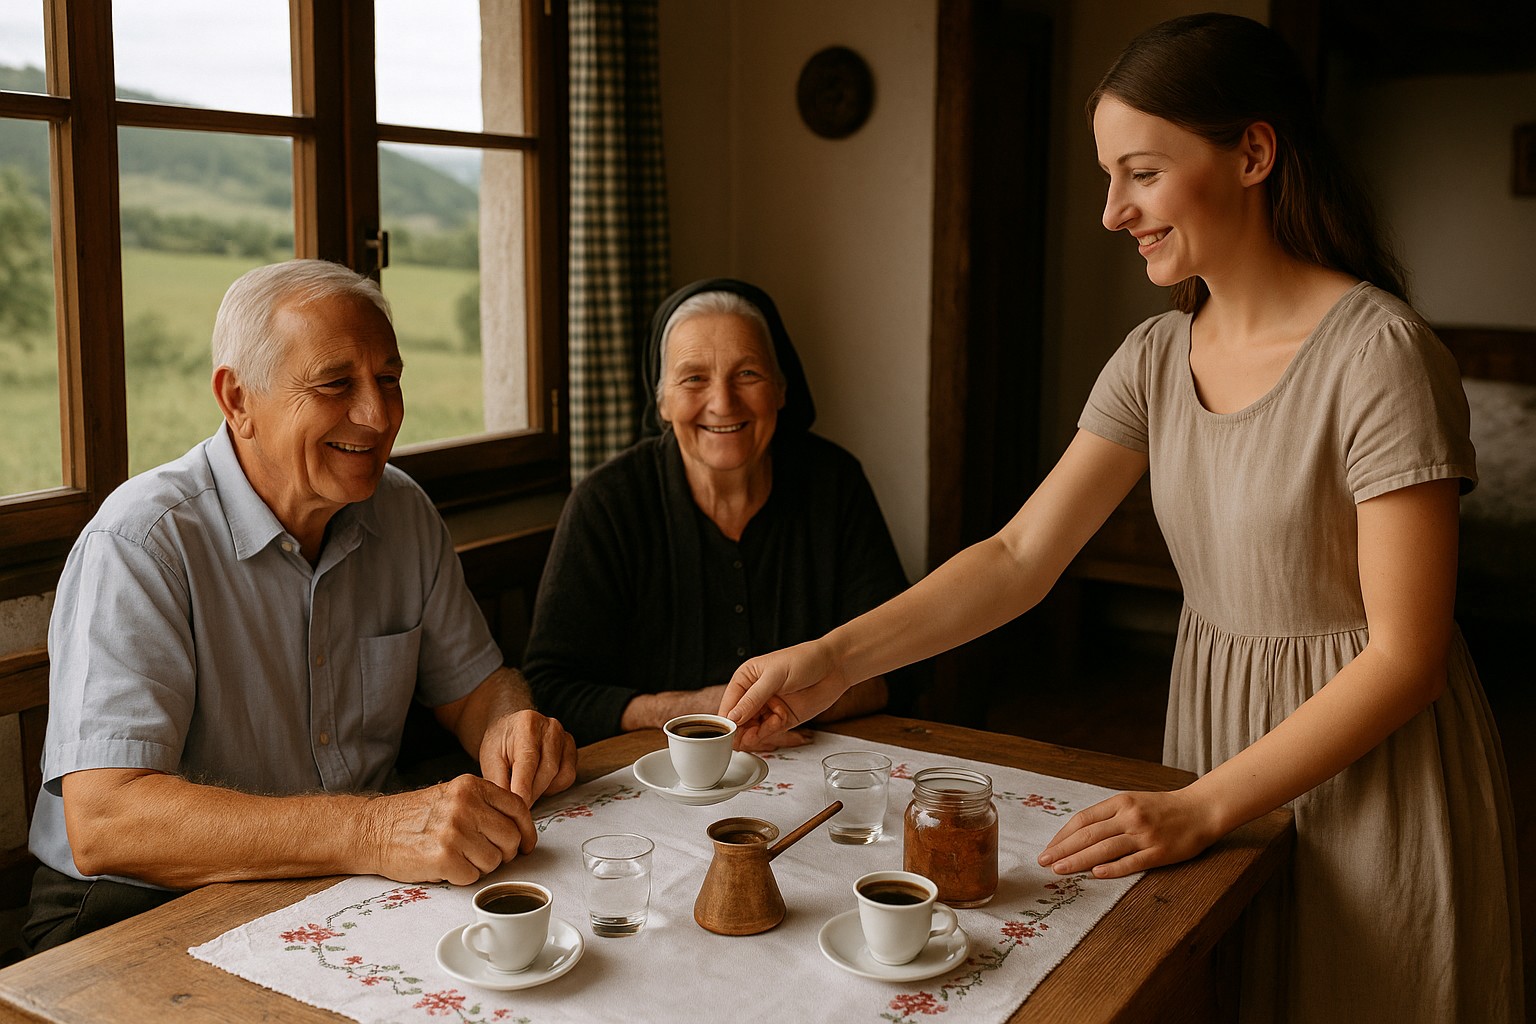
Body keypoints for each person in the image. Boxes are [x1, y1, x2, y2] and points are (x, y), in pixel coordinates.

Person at [720, 14, 1520, 1022]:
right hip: (1211, 753)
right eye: (1109, 177)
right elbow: (1018, 555)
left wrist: (1203, 805)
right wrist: (830, 657)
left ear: (1254, 153)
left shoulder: (1381, 354)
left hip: (1371, 780)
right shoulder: (1152, 357)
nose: (1111, 211)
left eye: (1139, 172)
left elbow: (1407, 656)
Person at [25, 259, 577, 954]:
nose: (378, 416)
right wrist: (375, 830)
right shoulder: (141, 542)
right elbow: (108, 821)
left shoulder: (402, 510)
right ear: (237, 400)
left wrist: (511, 725)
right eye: (335, 384)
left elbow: (476, 689)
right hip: (133, 909)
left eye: (389, 380)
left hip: (338, 885)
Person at [522, 278, 911, 748]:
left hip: (820, 755)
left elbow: (898, 660)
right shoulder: (607, 502)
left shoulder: (835, 482)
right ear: (662, 400)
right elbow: (551, 689)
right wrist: (696, 710)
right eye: (694, 378)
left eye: (748, 373)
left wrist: (780, 709)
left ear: (782, 389)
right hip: (657, 774)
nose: (723, 402)